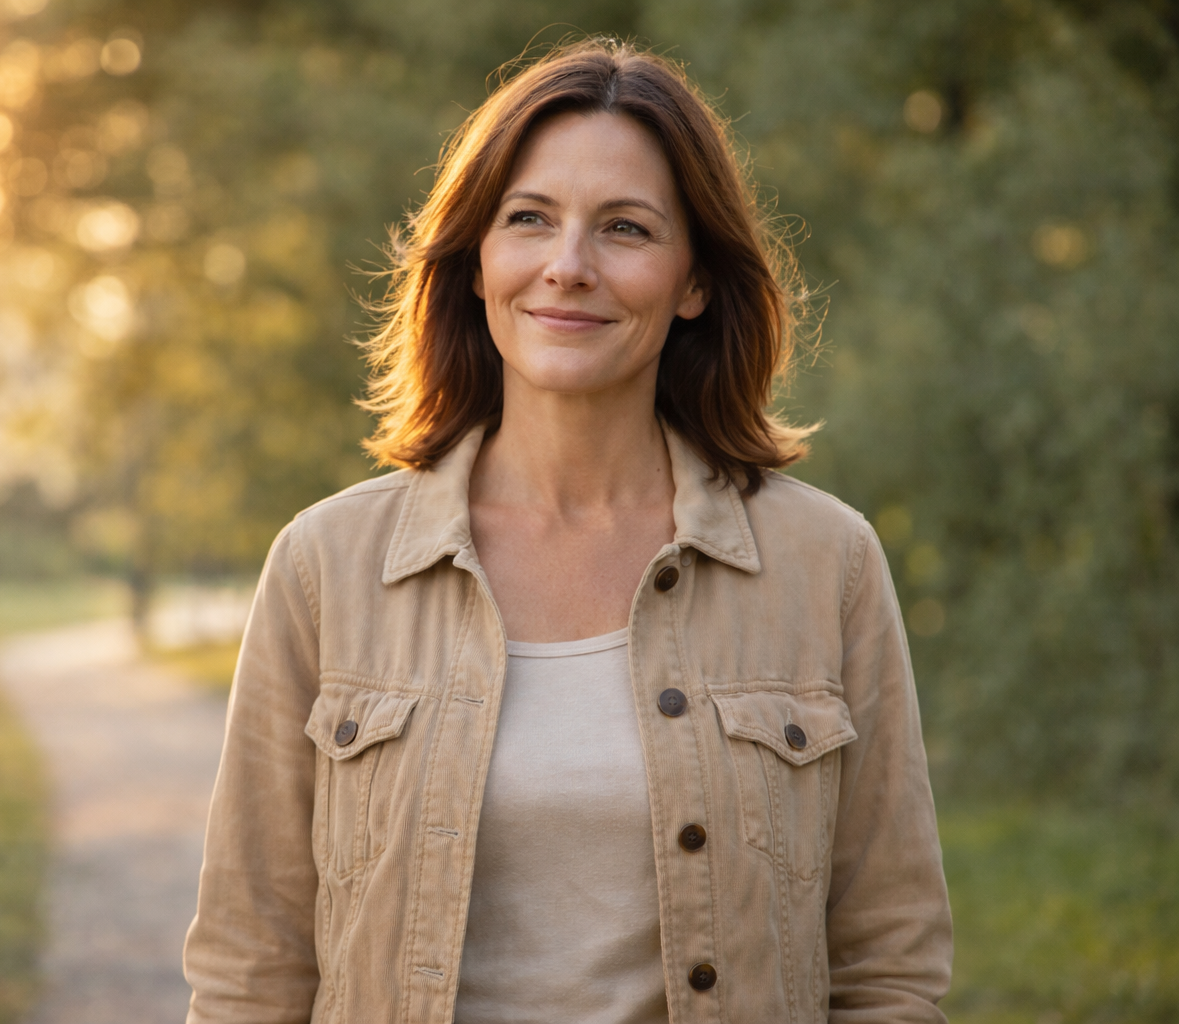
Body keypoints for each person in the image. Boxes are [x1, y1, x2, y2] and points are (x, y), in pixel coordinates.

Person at [184, 38, 952, 1024]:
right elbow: (250, 971)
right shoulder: (327, 565)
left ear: (694, 282)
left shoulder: (825, 563)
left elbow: (889, 969)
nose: (568, 266)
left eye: (626, 229)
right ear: (476, 262)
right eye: (529, 220)